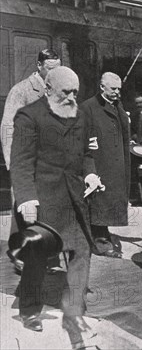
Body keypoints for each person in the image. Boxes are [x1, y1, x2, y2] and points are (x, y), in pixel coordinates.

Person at [10, 66, 102, 346]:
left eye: (76, 92)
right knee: (38, 258)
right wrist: (26, 198)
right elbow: (21, 162)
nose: (72, 97)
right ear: (48, 89)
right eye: (66, 92)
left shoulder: (80, 114)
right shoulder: (29, 116)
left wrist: (90, 173)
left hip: (74, 197)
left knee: (81, 252)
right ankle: (29, 310)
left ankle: (74, 309)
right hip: (43, 198)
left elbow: (87, 153)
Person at [1, 49, 62, 273]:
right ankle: (20, 254)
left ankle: (44, 256)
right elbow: (8, 127)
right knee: (22, 210)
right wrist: (12, 163)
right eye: (50, 69)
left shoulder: (56, 90)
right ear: (38, 66)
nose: (54, 74)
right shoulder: (22, 90)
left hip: (48, 163)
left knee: (45, 209)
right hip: (26, 162)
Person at [80, 72, 131, 258]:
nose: (117, 92)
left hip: (116, 162)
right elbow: (82, 138)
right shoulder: (88, 108)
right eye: (113, 89)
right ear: (102, 87)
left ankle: (102, 238)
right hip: (99, 161)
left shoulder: (118, 106)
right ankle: (101, 243)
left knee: (109, 202)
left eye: (119, 89)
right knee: (99, 203)